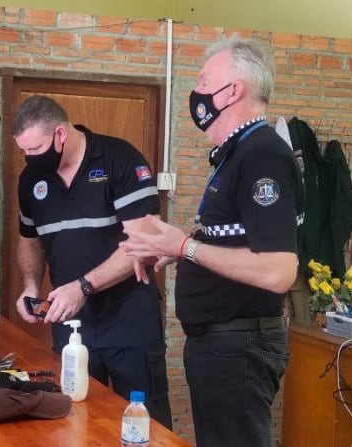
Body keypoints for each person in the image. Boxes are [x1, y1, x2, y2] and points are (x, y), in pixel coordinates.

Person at [121, 38, 300, 447]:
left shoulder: (262, 156)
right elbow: (237, 240)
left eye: (204, 80)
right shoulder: (236, 153)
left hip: (239, 347)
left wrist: (184, 247)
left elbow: (277, 271)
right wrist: (171, 248)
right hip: (222, 345)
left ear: (232, 91)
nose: (197, 91)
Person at [11, 95, 172, 428]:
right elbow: (30, 240)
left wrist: (83, 287)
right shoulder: (31, 180)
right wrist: (30, 285)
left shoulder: (120, 159)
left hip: (129, 321)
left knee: (145, 424)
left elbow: (142, 242)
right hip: (71, 325)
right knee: (76, 422)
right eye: (23, 151)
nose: (29, 159)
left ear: (60, 134)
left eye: (36, 149)